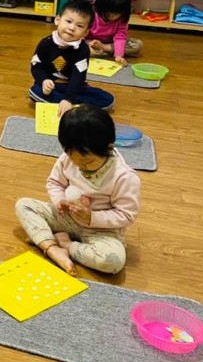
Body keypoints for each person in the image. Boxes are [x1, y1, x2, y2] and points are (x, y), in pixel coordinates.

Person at [15, 105, 140, 275]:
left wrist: (92, 217)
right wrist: (60, 201)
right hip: (67, 218)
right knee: (23, 205)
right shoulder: (69, 157)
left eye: (88, 162)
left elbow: (126, 215)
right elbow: (54, 182)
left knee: (112, 262)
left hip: (101, 231)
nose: (81, 167)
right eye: (74, 160)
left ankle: (66, 244)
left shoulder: (124, 177)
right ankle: (52, 248)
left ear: (109, 148)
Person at [29, 0, 114, 115]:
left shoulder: (83, 49)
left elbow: (78, 76)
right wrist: (44, 80)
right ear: (57, 20)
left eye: (79, 26)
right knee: (35, 92)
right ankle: (76, 106)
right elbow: (36, 66)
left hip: (73, 86)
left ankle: (68, 104)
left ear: (85, 32)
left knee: (107, 99)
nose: (72, 28)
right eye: (68, 21)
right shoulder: (46, 43)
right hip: (51, 85)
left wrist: (68, 98)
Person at [87, 0, 142, 65]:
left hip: (109, 43)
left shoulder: (122, 18)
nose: (112, 16)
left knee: (138, 44)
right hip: (90, 41)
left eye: (117, 13)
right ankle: (102, 51)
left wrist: (119, 55)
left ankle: (103, 50)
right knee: (80, 46)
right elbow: (81, 31)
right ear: (101, 5)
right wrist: (87, 45)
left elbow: (120, 37)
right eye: (109, 12)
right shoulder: (90, 13)